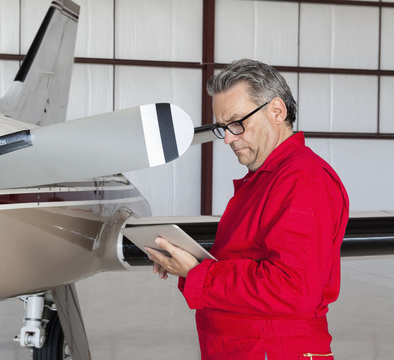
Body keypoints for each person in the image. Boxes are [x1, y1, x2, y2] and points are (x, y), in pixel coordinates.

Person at [146, 59, 349, 360]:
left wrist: (197, 273)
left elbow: (291, 288)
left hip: (274, 350)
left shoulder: (303, 181)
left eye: (238, 122)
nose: (228, 138)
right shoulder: (266, 179)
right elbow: (243, 257)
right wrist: (187, 265)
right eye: (222, 127)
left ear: (277, 111)